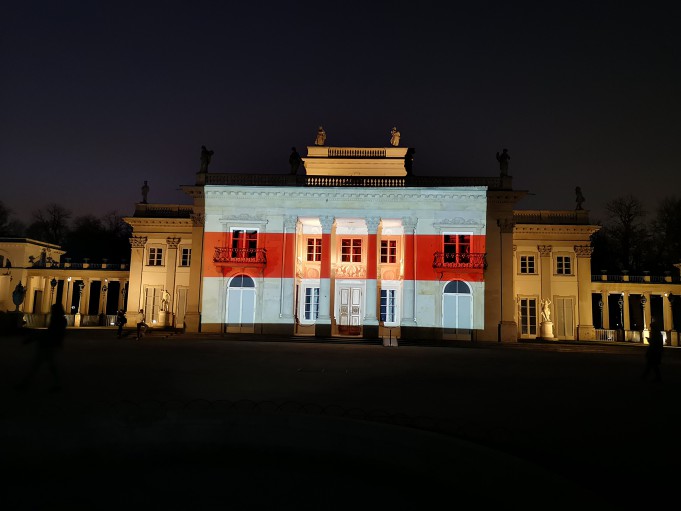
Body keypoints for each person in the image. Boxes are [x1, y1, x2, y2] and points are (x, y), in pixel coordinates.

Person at [15, 302, 67, 391]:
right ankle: (57, 384)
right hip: (51, 344)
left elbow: (51, 332)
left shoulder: (57, 320)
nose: (51, 311)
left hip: (48, 345)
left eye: (53, 310)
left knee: (38, 364)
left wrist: (33, 338)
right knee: (49, 365)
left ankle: (25, 384)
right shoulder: (62, 320)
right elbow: (57, 333)